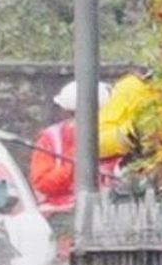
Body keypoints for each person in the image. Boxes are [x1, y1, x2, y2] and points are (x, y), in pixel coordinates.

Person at [28, 79, 120, 215]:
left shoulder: (118, 136)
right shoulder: (51, 138)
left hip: (109, 211)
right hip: (63, 216)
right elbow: (42, 184)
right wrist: (72, 163)